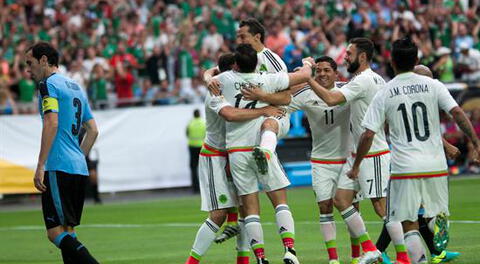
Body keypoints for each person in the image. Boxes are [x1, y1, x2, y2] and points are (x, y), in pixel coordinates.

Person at [349, 38, 480, 264]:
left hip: (404, 168)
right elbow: (457, 113)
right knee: (432, 213)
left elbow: (368, 134)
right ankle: (438, 224)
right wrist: (476, 143)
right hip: (436, 165)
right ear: (416, 60)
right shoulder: (434, 85)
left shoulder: (385, 92)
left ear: (391, 61)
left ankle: (419, 260)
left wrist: (357, 164)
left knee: (406, 221)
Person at [213, 43, 314, 264]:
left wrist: (208, 76)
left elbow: (208, 77)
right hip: (260, 144)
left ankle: (260, 258)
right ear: (257, 63)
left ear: (236, 64)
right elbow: (304, 77)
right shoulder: (266, 79)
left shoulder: (225, 79)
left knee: (250, 208)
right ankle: (290, 250)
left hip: (237, 150)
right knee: (280, 201)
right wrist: (307, 63)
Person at [185, 53, 284, 264]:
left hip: (232, 154)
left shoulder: (227, 85)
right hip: (215, 156)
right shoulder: (216, 91)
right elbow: (231, 114)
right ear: (231, 70)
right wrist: (265, 110)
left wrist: (208, 74)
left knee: (245, 211)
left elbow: (211, 72)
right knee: (218, 214)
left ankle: (243, 260)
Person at [307, 38, 387, 263]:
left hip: (370, 152)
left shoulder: (356, 84)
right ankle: (364, 253)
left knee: (381, 206)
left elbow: (332, 99)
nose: (346, 58)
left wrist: (307, 78)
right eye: (317, 70)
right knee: (339, 203)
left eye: (349, 54)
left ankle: (402, 252)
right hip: (351, 155)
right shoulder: (369, 80)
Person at [26, 42, 99, 263]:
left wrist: (40, 165)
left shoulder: (48, 85)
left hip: (59, 165)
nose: (28, 70)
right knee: (69, 231)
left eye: (30, 63)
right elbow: (93, 130)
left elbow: (51, 122)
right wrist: (79, 157)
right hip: (78, 167)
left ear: (44, 60)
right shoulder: (76, 86)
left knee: (55, 232)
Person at [186, 109, 206, 193]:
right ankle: (205, 187)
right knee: (204, 167)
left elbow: (187, 133)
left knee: (193, 168)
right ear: (200, 114)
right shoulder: (203, 122)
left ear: (193, 115)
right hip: (202, 146)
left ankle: (195, 188)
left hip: (192, 146)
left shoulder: (190, 123)